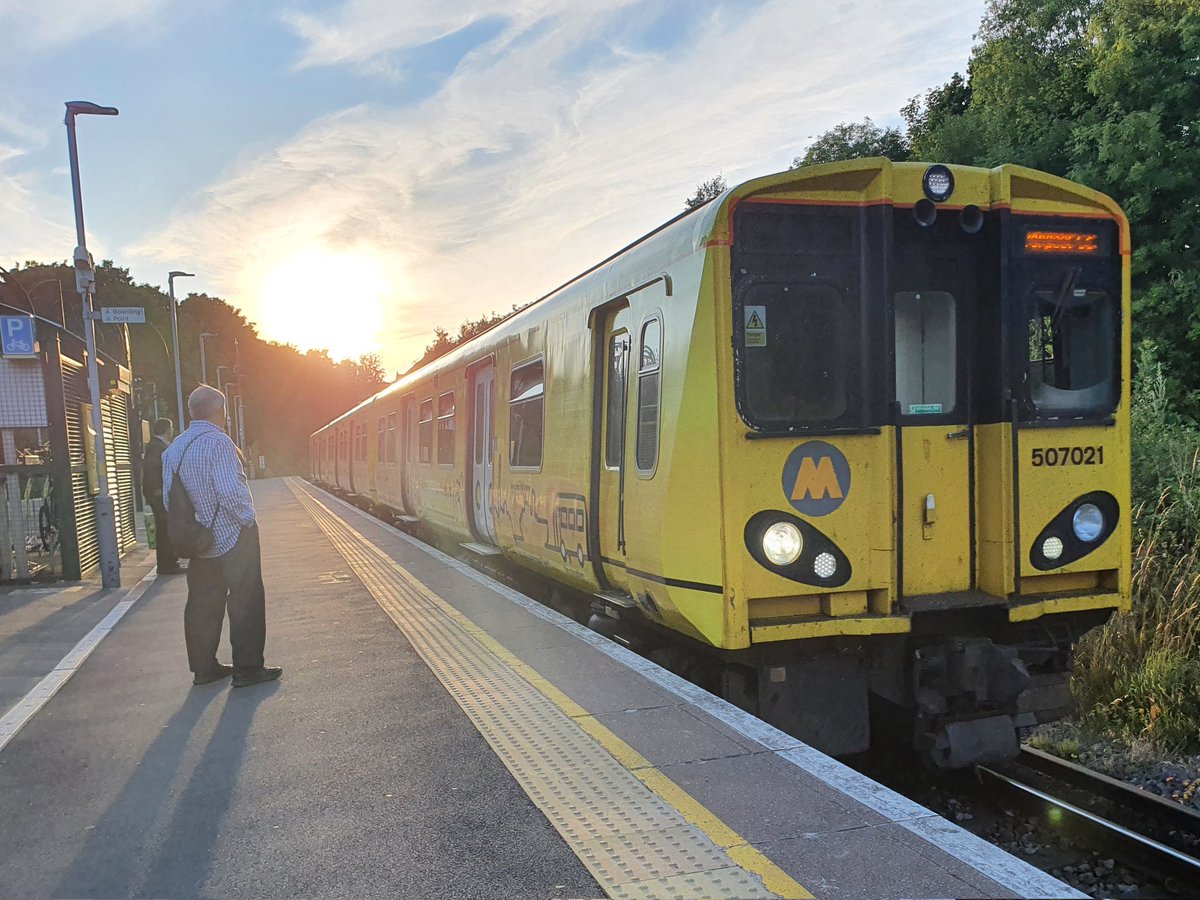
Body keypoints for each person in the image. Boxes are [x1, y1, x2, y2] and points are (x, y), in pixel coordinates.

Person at [163, 385, 282, 688]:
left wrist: (195, 526)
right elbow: (230, 491)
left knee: (202, 604)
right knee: (246, 600)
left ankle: (204, 669)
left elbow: (169, 498)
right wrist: (248, 519)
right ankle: (247, 669)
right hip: (231, 537)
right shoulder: (220, 443)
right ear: (221, 411)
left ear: (192, 411)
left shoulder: (174, 448)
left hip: (197, 541)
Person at [142, 418, 184, 575]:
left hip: (157, 494)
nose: (172, 432)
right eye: (171, 429)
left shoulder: (156, 446)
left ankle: (169, 563)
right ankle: (168, 565)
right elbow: (152, 470)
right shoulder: (157, 448)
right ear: (167, 430)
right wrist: (158, 491)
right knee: (165, 529)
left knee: (165, 528)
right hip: (158, 495)